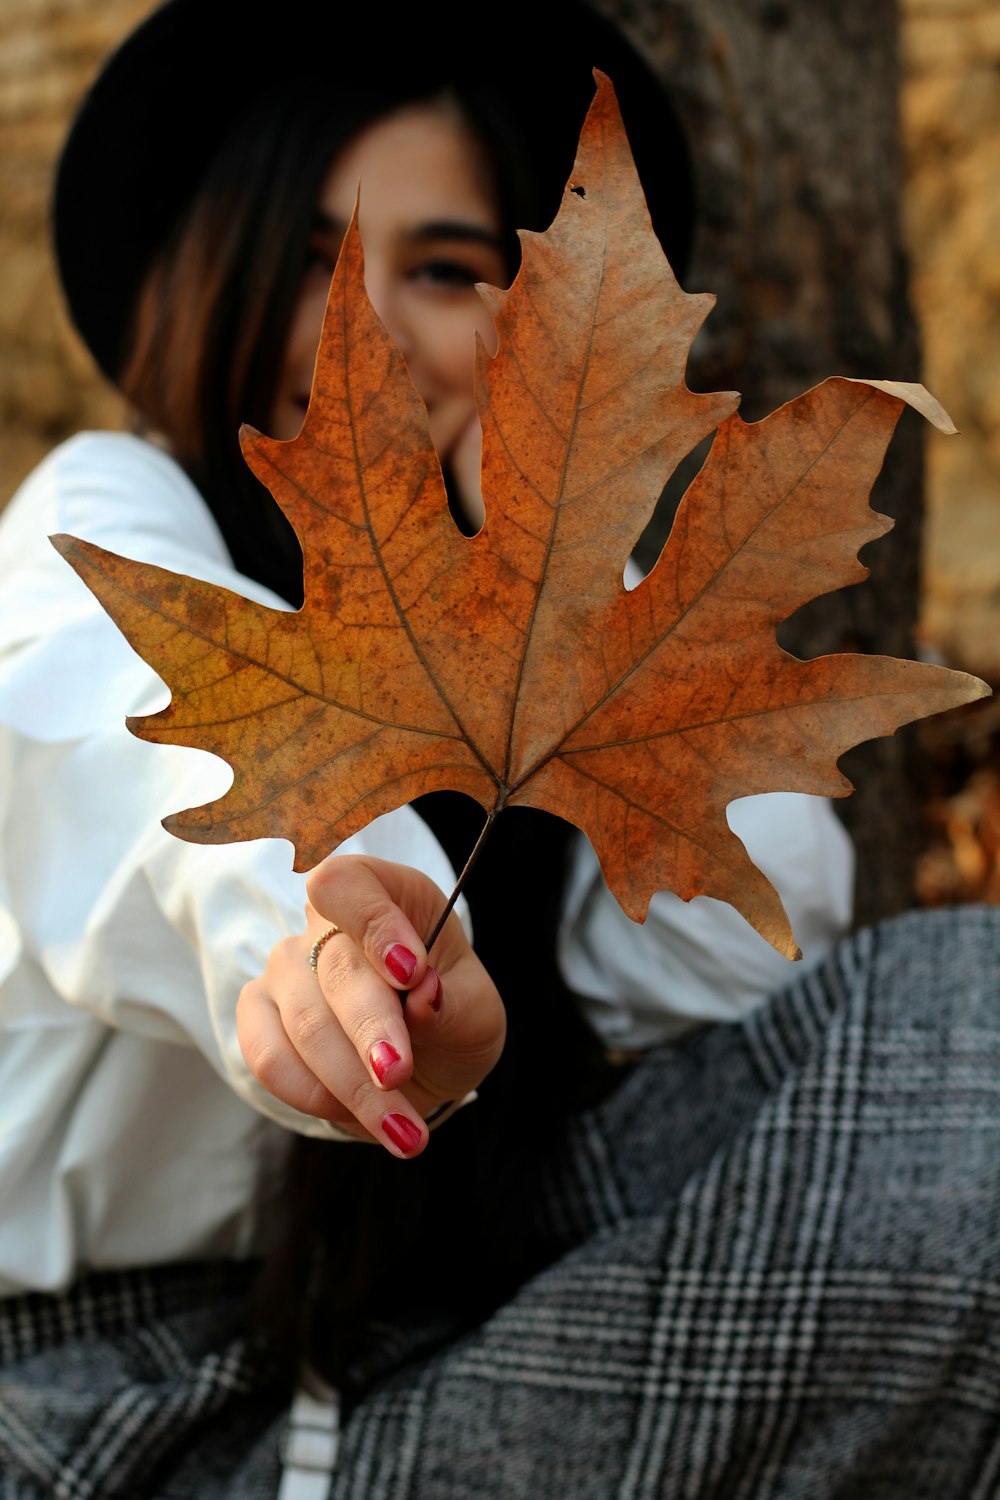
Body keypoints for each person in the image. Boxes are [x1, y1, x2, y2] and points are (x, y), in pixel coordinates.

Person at [2, 2, 998, 1496]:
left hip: (442, 1335)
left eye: (449, 271)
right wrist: (328, 946)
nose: (360, 332)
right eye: (305, 264)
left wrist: (552, 563)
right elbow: (107, 745)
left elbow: (736, 970)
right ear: (199, 279)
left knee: (964, 1026)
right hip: (100, 1416)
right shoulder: (112, 515)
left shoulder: (513, 607)